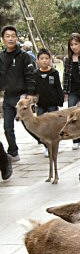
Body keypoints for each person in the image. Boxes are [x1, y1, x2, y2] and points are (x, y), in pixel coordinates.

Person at [0, 25, 35, 162]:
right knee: (7, 126)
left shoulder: (24, 56)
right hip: (8, 96)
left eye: (13, 36)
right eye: (7, 36)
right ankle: (13, 152)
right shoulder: (1, 57)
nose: (10, 39)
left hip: (21, 96)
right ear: (3, 39)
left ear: (16, 38)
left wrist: (30, 93)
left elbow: (30, 75)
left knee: (29, 125)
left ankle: (46, 142)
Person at [32, 48, 64, 157]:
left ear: (50, 59)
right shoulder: (35, 74)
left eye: (46, 58)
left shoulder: (54, 72)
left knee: (53, 126)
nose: (44, 60)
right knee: (41, 126)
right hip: (40, 104)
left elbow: (58, 88)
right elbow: (33, 90)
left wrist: (60, 100)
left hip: (52, 104)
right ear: (37, 60)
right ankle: (46, 146)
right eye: (42, 58)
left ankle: (54, 145)